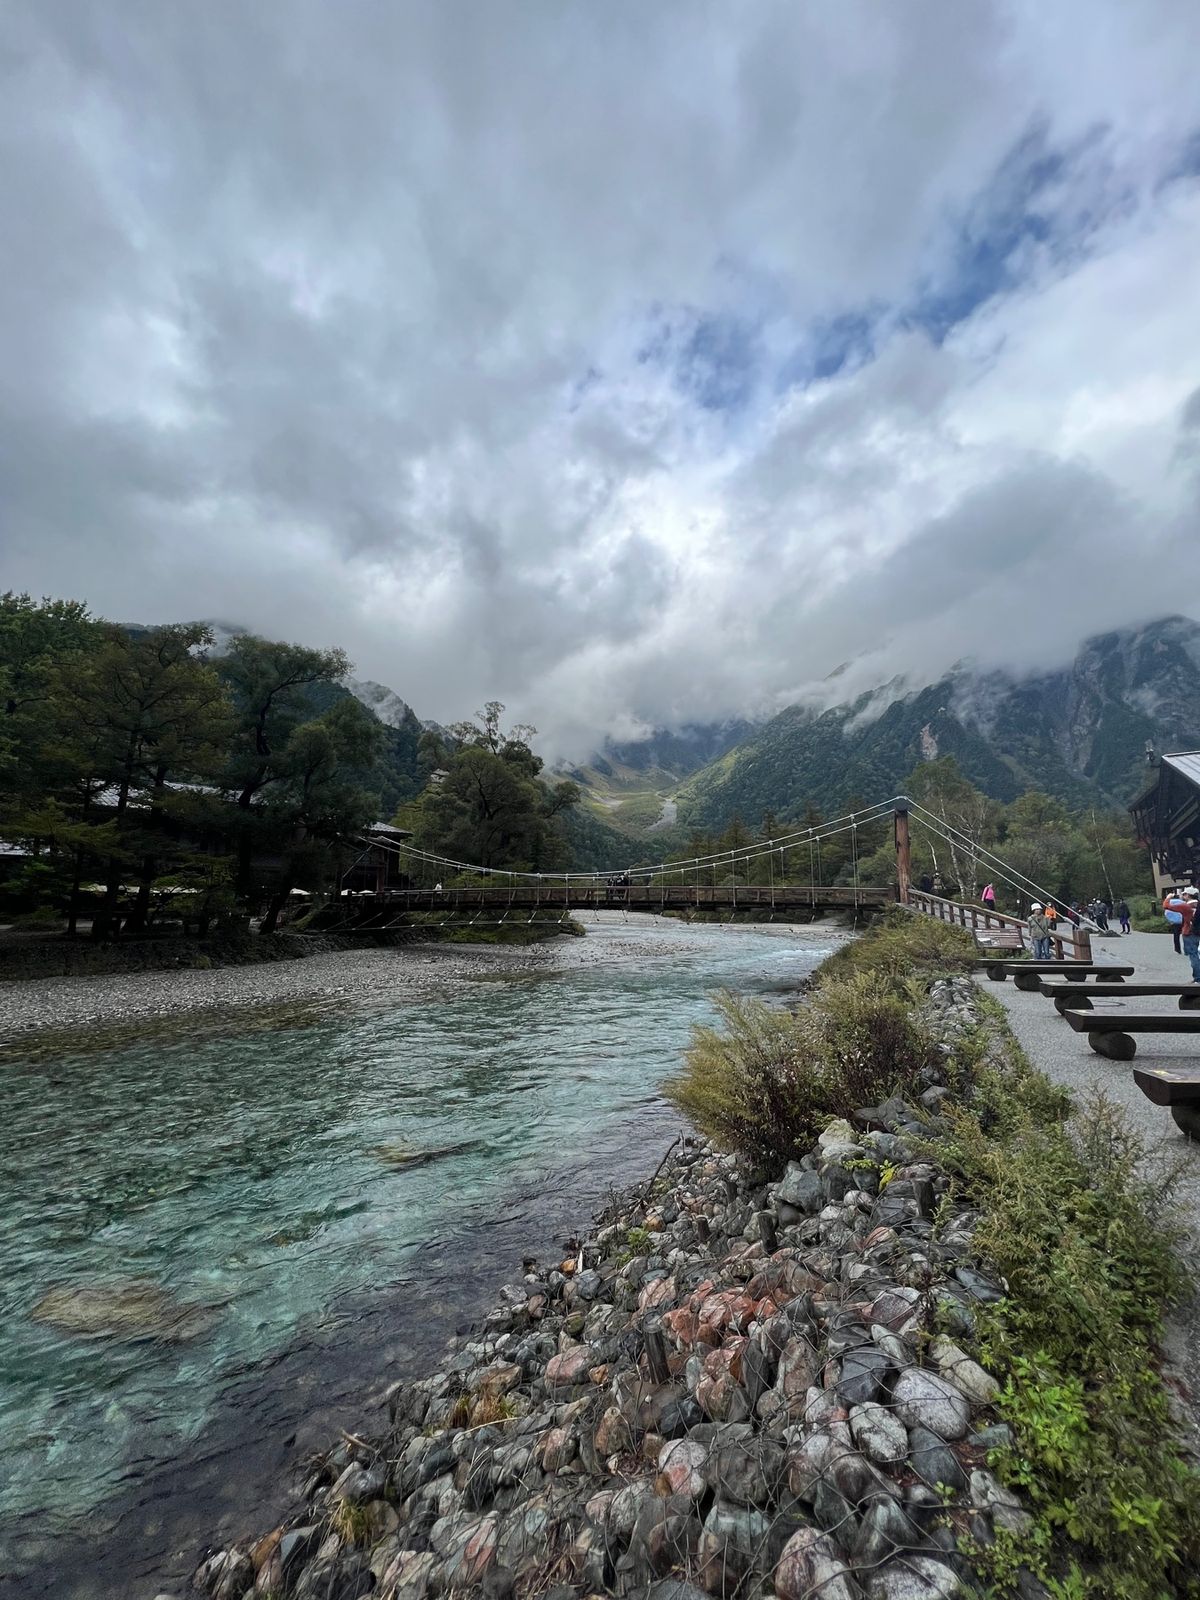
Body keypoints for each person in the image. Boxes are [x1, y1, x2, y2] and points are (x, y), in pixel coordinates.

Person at [1166, 888, 1200, 982]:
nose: (1183, 895)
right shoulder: (1198, 905)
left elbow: (1166, 906)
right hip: (1198, 932)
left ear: (1188, 895)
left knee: (1193, 956)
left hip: (1189, 932)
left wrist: (1168, 897)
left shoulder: (1185, 906)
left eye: (1184, 894)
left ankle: (1198, 978)